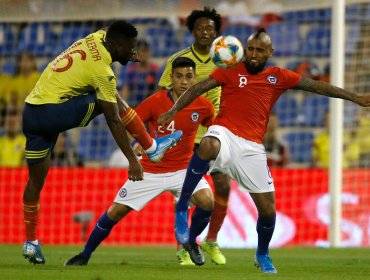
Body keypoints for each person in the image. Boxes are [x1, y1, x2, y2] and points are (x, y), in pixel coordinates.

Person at [158, 28, 370, 273]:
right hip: (224, 134)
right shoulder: (230, 70)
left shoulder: (277, 76)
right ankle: (183, 206)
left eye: (260, 50)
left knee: (268, 211)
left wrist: (355, 97)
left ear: (270, 52)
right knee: (208, 144)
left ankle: (262, 253)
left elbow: (316, 87)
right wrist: (174, 110)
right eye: (250, 49)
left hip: (252, 148)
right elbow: (197, 89)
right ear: (244, 50)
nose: (254, 54)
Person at [21, 20, 182, 265]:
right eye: (130, 47)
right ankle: (152, 147)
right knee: (106, 101)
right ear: (117, 45)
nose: (132, 51)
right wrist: (132, 161)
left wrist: (127, 55)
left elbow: (110, 38)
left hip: (32, 112)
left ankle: (30, 242)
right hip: (51, 112)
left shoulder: (96, 37)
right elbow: (114, 121)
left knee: (36, 179)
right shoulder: (103, 72)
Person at [65, 57, 214, 266]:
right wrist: (136, 143)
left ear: (195, 78)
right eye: (179, 76)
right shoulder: (155, 101)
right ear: (171, 78)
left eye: (189, 77)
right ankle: (85, 255)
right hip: (150, 171)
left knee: (208, 201)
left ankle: (191, 241)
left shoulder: (204, 106)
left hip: (183, 171)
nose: (184, 81)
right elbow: (130, 123)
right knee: (114, 213)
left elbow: (211, 129)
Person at [158, 6, 229, 265]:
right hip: (187, 134)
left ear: (216, 32)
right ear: (192, 30)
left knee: (223, 187)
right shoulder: (178, 60)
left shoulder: (225, 59)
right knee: (186, 193)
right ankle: (182, 248)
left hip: (217, 132)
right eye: (200, 28)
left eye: (210, 28)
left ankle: (211, 241)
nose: (205, 32)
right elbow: (164, 97)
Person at [118, 39, 160, 108]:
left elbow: (158, 91)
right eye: (139, 51)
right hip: (134, 106)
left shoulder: (155, 70)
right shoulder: (131, 70)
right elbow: (125, 89)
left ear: (149, 52)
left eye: (145, 51)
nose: (142, 54)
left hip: (150, 107)